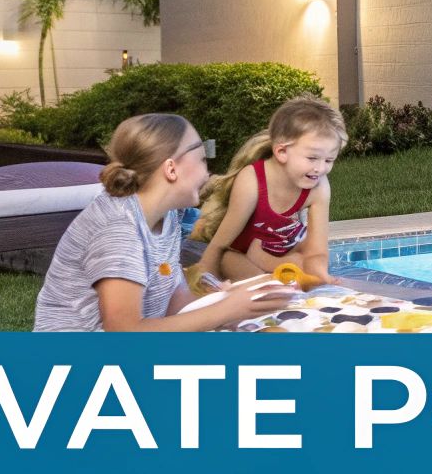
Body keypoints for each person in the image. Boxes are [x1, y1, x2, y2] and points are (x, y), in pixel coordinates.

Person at [34, 113, 295, 332]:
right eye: (203, 160)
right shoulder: (119, 228)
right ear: (171, 169)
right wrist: (224, 309)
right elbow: (124, 332)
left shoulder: (166, 215)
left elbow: (177, 303)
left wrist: (229, 302)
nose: (207, 173)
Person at [192, 96, 346, 285]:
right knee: (229, 261)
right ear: (281, 152)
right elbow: (220, 244)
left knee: (307, 258)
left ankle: (276, 268)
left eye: (329, 160)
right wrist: (204, 277)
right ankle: (270, 279)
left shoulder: (319, 186)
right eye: (312, 158)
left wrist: (322, 276)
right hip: (241, 253)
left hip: (281, 250)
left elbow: (318, 250)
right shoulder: (252, 180)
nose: (321, 169)